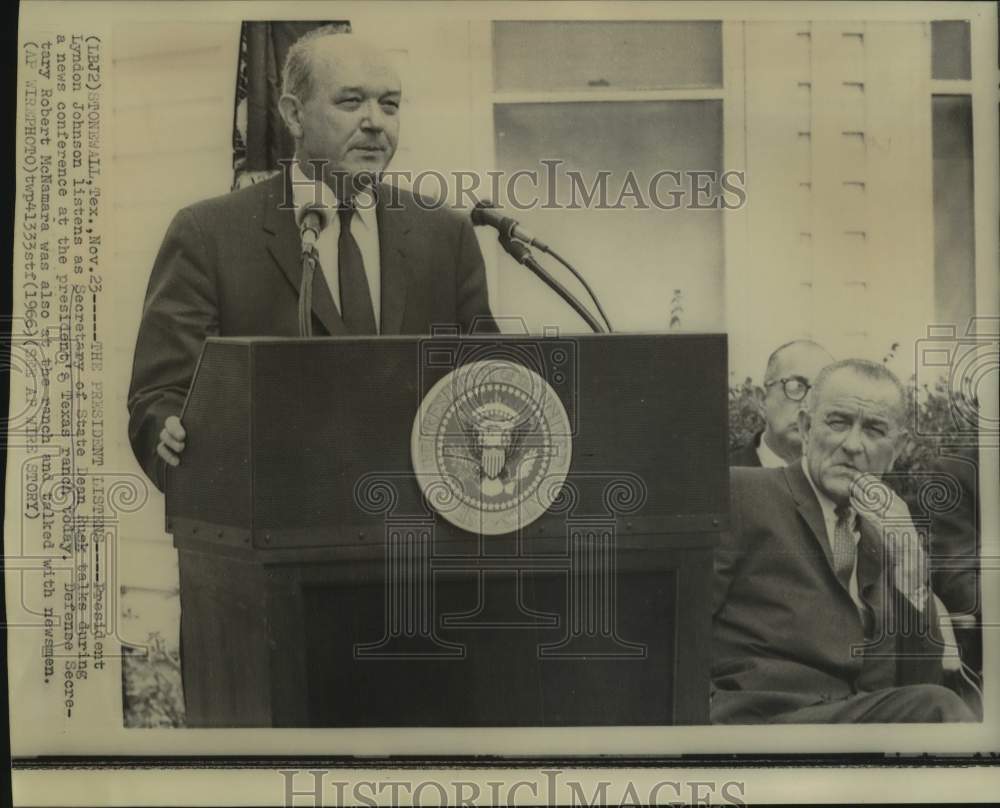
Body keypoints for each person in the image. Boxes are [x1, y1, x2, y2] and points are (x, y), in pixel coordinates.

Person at [127, 29, 496, 489]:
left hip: (414, 532)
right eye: (350, 102)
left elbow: (485, 379)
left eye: (390, 104)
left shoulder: (445, 235)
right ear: (294, 115)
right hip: (270, 524)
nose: (375, 122)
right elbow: (161, 396)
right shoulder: (209, 234)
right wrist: (178, 436)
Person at [712, 359, 975, 723]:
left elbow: (918, 683)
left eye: (874, 430)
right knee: (939, 711)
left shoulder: (886, 536)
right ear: (806, 428)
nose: (853, 445)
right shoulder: (743, 492)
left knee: (940, 708)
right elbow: (680, 629)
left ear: (896, 448)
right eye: (838, 422)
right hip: (759, 724)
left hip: (852, 725)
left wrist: (911, 567)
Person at [730, 340, 834, 468]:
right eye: (795, 386)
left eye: (821, 390)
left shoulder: (843, 482)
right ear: (762, 400)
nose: (809, 405)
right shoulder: (725, 474)